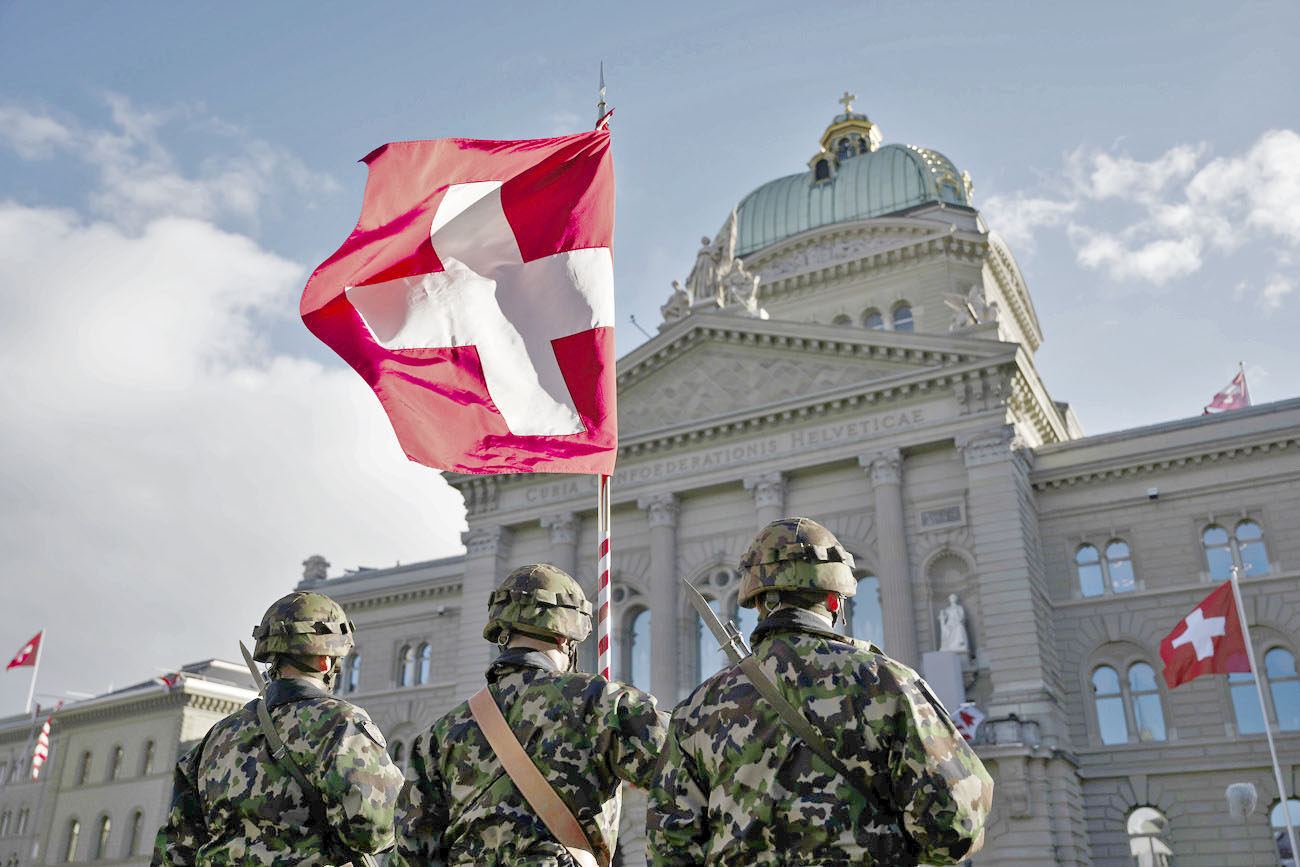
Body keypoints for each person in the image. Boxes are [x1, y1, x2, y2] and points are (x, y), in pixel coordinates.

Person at [647, 517, 995, 866]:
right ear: (834, 601)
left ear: (758, 602)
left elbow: (668, 848)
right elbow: (955, 823)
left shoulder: (697, 709)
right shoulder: (889, 683)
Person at [394, 564, 669, 866]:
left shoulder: (438, 736)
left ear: (503, 634)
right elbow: (690, 763)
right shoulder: (597, 701)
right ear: (566, 638)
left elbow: (411, 853)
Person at [152, 592, 405, 866]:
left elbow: (175, 851)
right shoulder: (341, 723)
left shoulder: (217, 737)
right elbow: (376, 830)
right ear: (325, 661)